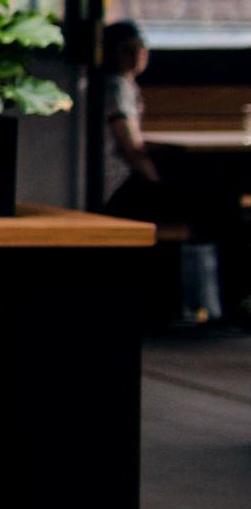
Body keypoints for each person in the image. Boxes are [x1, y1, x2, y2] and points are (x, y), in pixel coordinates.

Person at [97, 19, 243, 318]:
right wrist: (155, 183)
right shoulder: (115, 86)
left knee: (219, 205)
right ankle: (225, 304)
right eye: (131, 49)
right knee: (222, 208)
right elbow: (133, 149)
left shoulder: (117, 85)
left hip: (113, 187)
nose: (138, 55)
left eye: (140, 48)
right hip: (117, 191)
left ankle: (206, 302)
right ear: (115, 53)